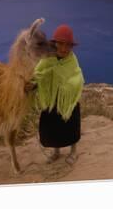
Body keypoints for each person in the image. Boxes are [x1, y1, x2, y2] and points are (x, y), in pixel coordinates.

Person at [26, 24, 85, 165]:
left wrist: (67, 85)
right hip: (51, 100)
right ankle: (56, 152)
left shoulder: (72, 60)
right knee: (52, 129)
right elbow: (38, 74)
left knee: (71, 127)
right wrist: (34, 84)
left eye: (68, 45)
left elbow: (78, 79)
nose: (64, 48)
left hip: (67, 101)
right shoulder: (47, 59)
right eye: (61, 44)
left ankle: (73, 152)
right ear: (54, 44)